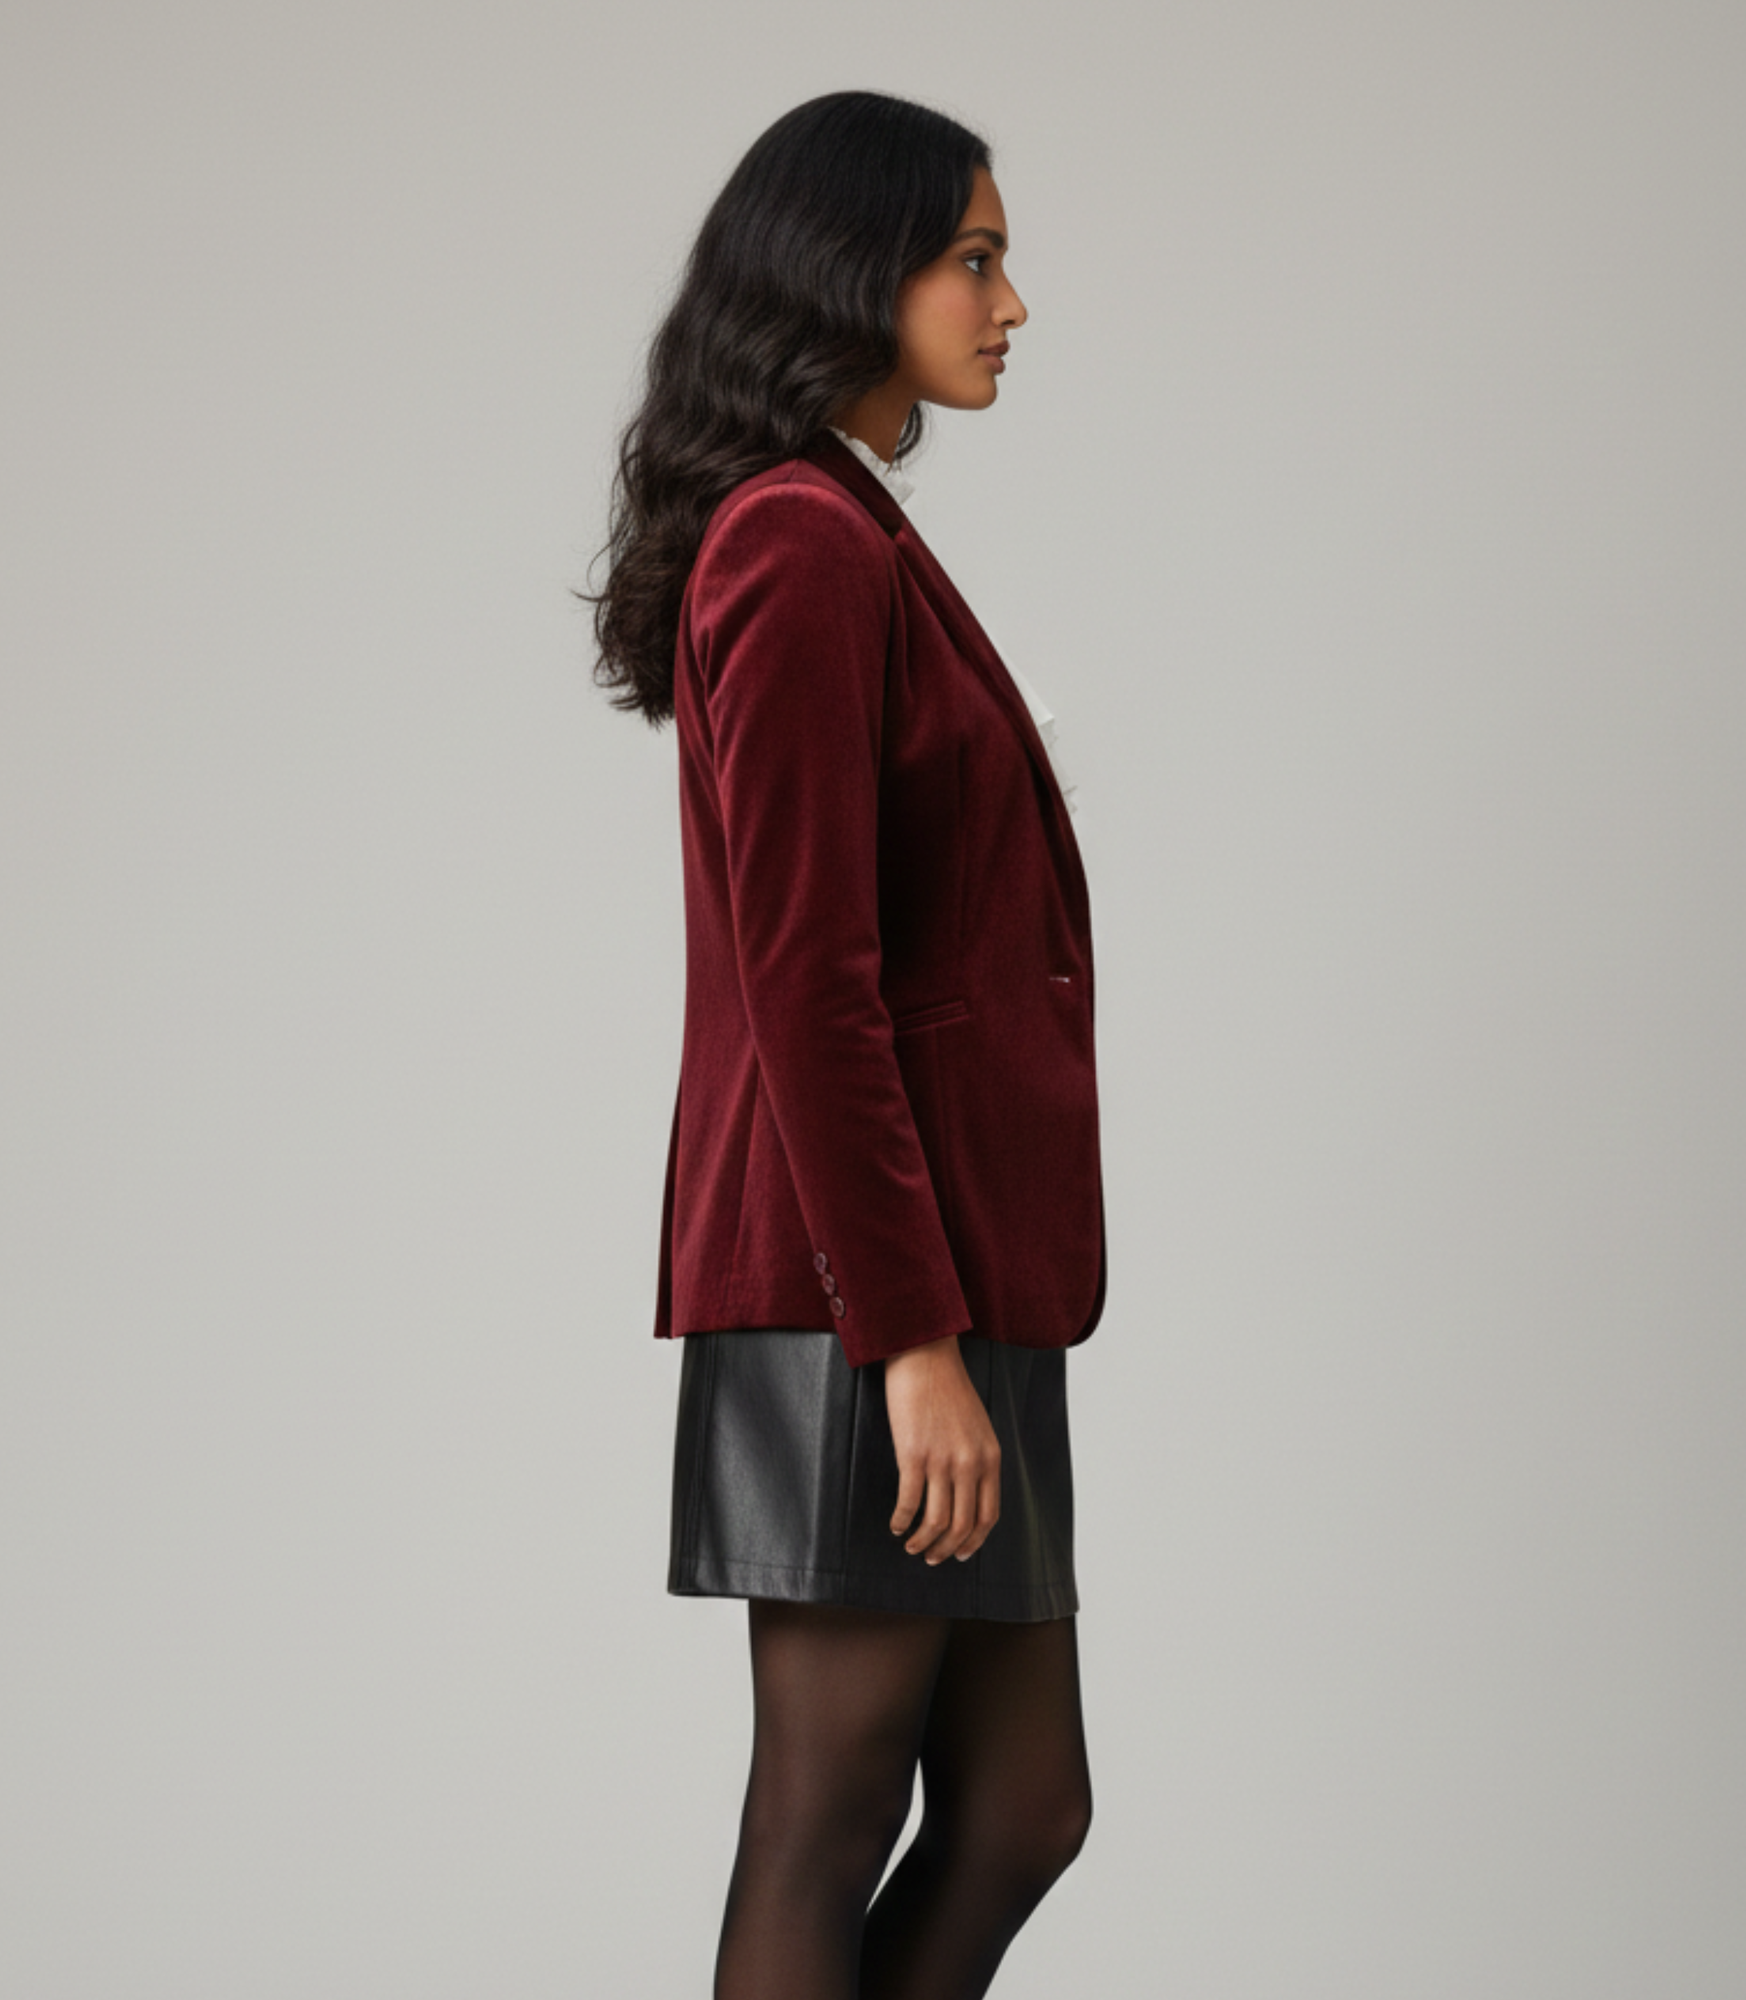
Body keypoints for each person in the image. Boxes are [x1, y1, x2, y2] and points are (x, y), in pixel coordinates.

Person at [582, 89, 1109, 1999]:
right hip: (862, 1295)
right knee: (825, 1814)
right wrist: (904, 1340)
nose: (1009, 303)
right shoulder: (797, 544)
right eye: (973, 258)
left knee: (1022, 1805)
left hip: (941, 1275)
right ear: (850, 271)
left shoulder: (837, 524)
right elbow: (808, 981)